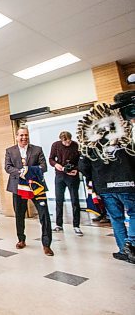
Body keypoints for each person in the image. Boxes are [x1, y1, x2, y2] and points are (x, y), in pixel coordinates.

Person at [77, 101, 135, 263]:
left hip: (106, 187)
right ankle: (133, 245)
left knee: (116, 218)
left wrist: (92, 179)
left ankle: (125, 249)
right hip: (128, 184)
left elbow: (83, 167)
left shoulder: (91, 143)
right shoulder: (126, 137)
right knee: (133, 214)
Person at [5, 127, 54, 256]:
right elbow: (8, 167)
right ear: (16, 137)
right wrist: (20, 172)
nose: (24, 138)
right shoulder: (10, 151)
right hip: (18, 186)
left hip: (36, 186)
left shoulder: (37, 150)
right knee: (19, 215)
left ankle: (46, 244)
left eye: (26, 135)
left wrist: (29, 171)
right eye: (21, 135)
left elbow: (44, 167)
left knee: (44, 215)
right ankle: (21, 239)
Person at [48, 131, 83, 236]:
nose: (68, 144)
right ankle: (59, 224)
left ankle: (76, 226)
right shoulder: (56, 145)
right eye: (65, 142)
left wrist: (76, 169)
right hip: (60, 175)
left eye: (69, 141)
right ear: (61, 140)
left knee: (75, 201)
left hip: (72, 176)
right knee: (59, 200)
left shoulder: (75, 145)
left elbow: (80, 161)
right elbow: (51, 159)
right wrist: (56, 165)